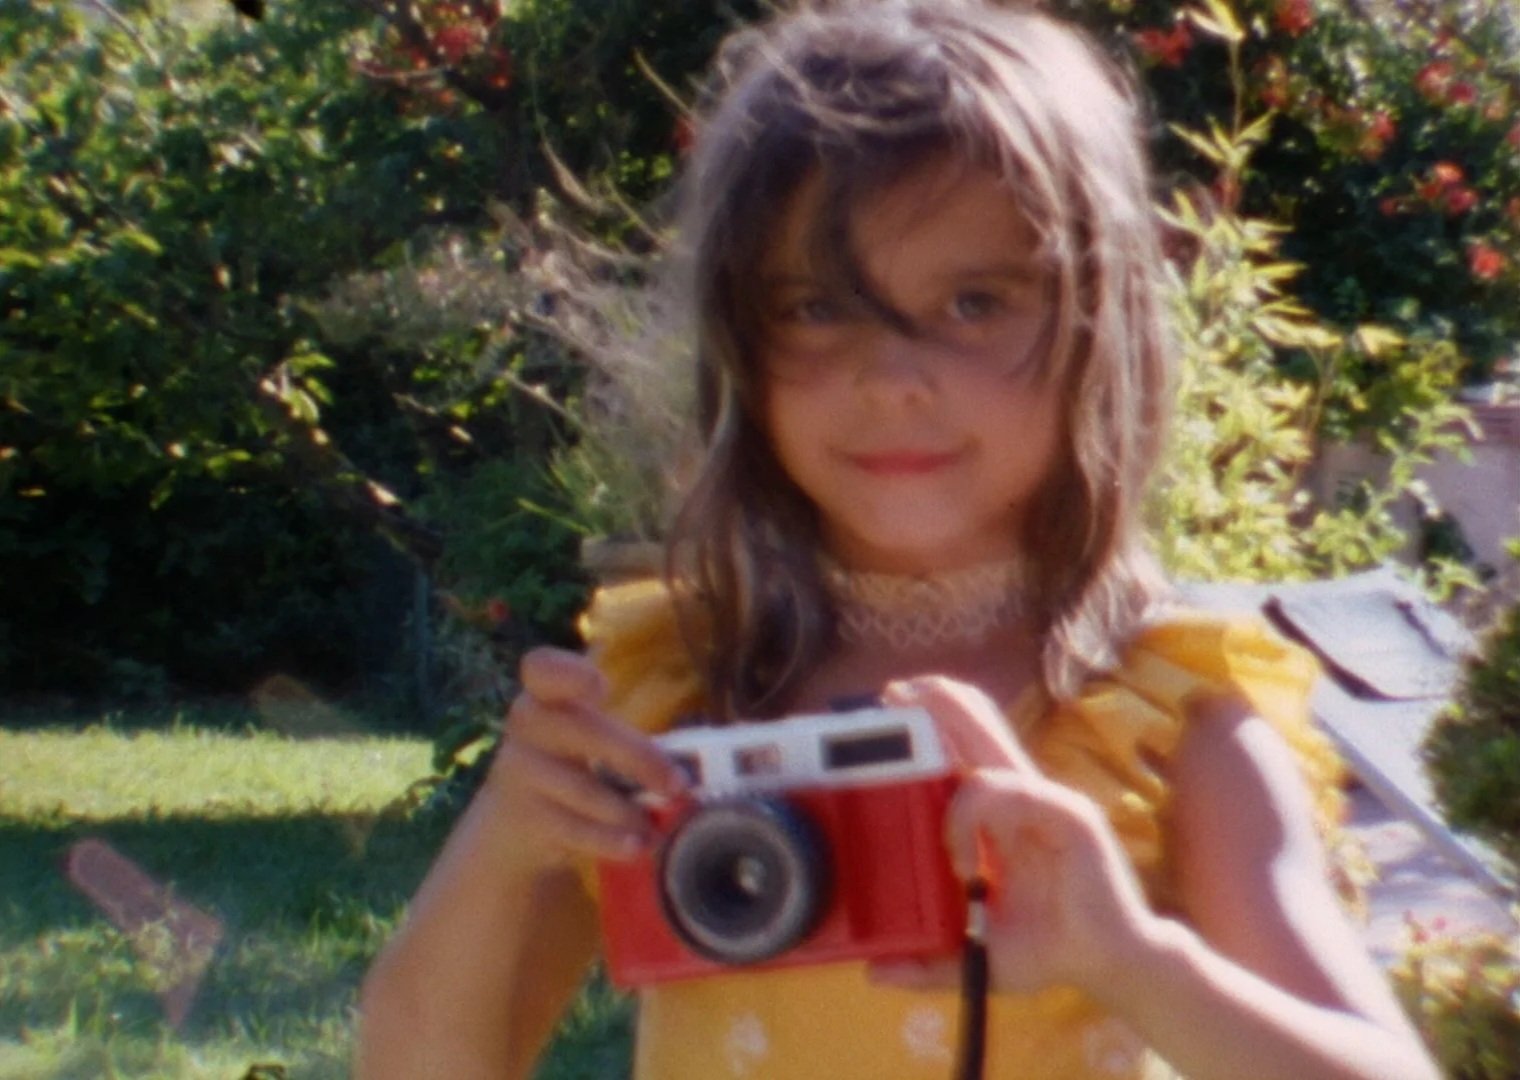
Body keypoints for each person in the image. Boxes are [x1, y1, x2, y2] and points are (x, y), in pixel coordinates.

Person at [355, 2, 1439, 1077]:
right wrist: (505, 837)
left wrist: (1129, 958)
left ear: (1097, 328)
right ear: (739, 342)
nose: (890, 379)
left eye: (973, 303)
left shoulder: (1167, 718)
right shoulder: (664, 698)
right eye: (817, 308)